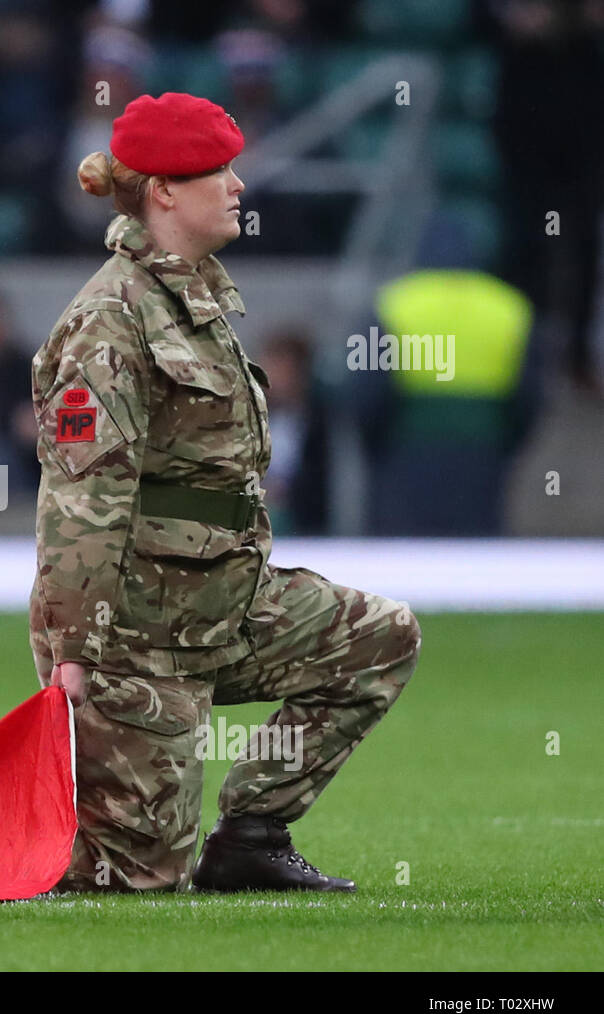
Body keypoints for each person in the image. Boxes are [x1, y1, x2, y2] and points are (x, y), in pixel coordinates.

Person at [28, 92, 422, 894]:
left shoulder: (197, 297)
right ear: (165, 190)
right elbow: (84, 501)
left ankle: (251, 835)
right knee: (135, 878)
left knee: (378, 639)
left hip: (225, 605)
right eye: (220, 171)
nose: (240, 184)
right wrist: (74, 652)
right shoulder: (114, 316)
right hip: (137, 637)